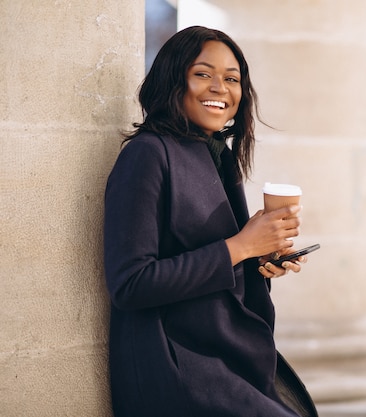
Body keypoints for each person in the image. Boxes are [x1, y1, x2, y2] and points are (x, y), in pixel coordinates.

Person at [103, 26, 318, 417]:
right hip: (176, 363)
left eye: (232, 79)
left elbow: (215, 262)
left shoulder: (219, 155)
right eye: (203, 73)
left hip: (229, 355)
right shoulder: (147, 155)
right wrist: (241, 246)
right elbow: (130, 284)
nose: (220, 87)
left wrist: (260, 263)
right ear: (174, 79)